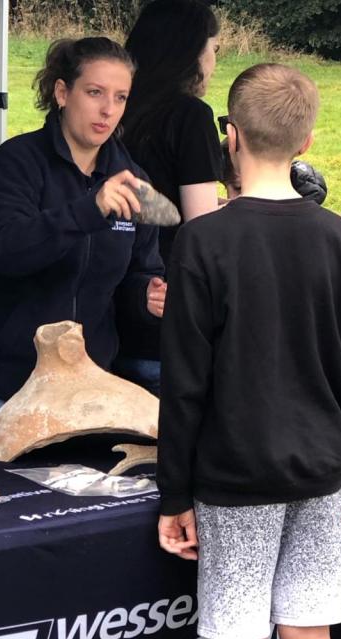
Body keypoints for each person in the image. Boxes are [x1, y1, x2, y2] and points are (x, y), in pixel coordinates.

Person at [155, 63, 341, 639]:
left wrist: (172, 494)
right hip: (319, 466)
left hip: (234, 474)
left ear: (231, 135)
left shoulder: (202, 242)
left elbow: (184, 386)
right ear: (307, 139)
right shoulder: (339, 241)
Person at [0, 37, 162, 449]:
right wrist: (88, 210)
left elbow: (140, 271)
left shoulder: (133, 179)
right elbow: (4, 250)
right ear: (62, 93)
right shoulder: (17, 162)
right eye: (95, 92)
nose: (108, 110)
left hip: (82, 396)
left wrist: (147, 297)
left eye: (120, 97)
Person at [116, 0, 223, 393]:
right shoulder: (190, 115)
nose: (214, 59)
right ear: (191, 50)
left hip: (103, 307)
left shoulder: (114, 109)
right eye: (214, 48)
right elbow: (203, 229)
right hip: (165, 305)